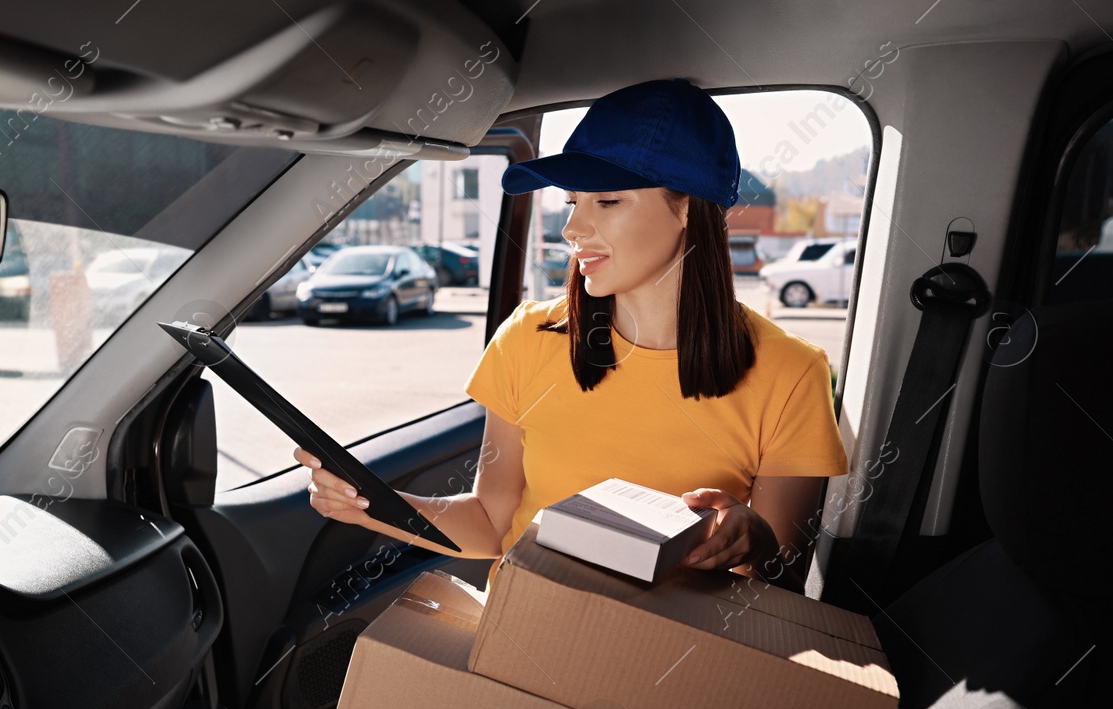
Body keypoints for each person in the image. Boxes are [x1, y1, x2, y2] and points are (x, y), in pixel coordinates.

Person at [295, 78, 848, 594]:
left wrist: (755, 537)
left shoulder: (791, 372)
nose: (572, 229)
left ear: (688, 207)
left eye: (606, 201)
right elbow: (491, 524)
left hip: (675, 662)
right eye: (572, 202)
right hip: (523, 630)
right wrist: (375, 505)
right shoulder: (526, 339)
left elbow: (784, 573)